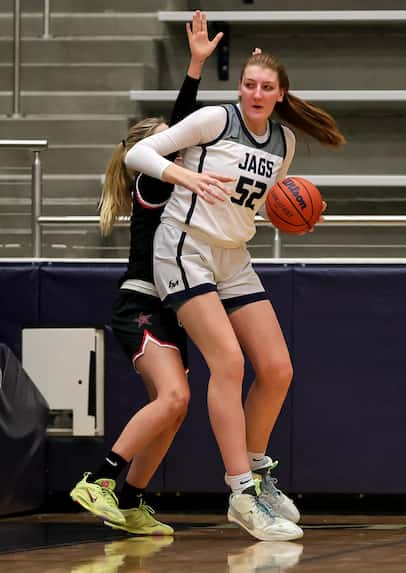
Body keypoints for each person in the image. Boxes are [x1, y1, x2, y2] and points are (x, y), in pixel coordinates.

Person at [125, 50, 345, 541]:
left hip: (233, 256)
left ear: (280, 94)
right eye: (249, 85)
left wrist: (301, 213)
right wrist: (187, 176)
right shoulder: (214, 119)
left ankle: (258, 470)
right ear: (240, 88)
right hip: (185, 247)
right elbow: (137, 154)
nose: (257, 94)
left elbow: (259, 201)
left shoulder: (283, 141)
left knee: (277, 369)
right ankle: (241, 493)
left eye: (266, 87)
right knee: (228, 363)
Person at [70, 11, 224, 536]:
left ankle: (133, 499)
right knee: (174, 398)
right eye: (166, 140)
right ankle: (102, 480)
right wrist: (194, 73)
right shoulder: (153, 184)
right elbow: (175, 133)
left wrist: (198, 62)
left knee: (175, 409)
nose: (177, 142)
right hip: (140, 304)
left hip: (170, 306)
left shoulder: (174, 184)